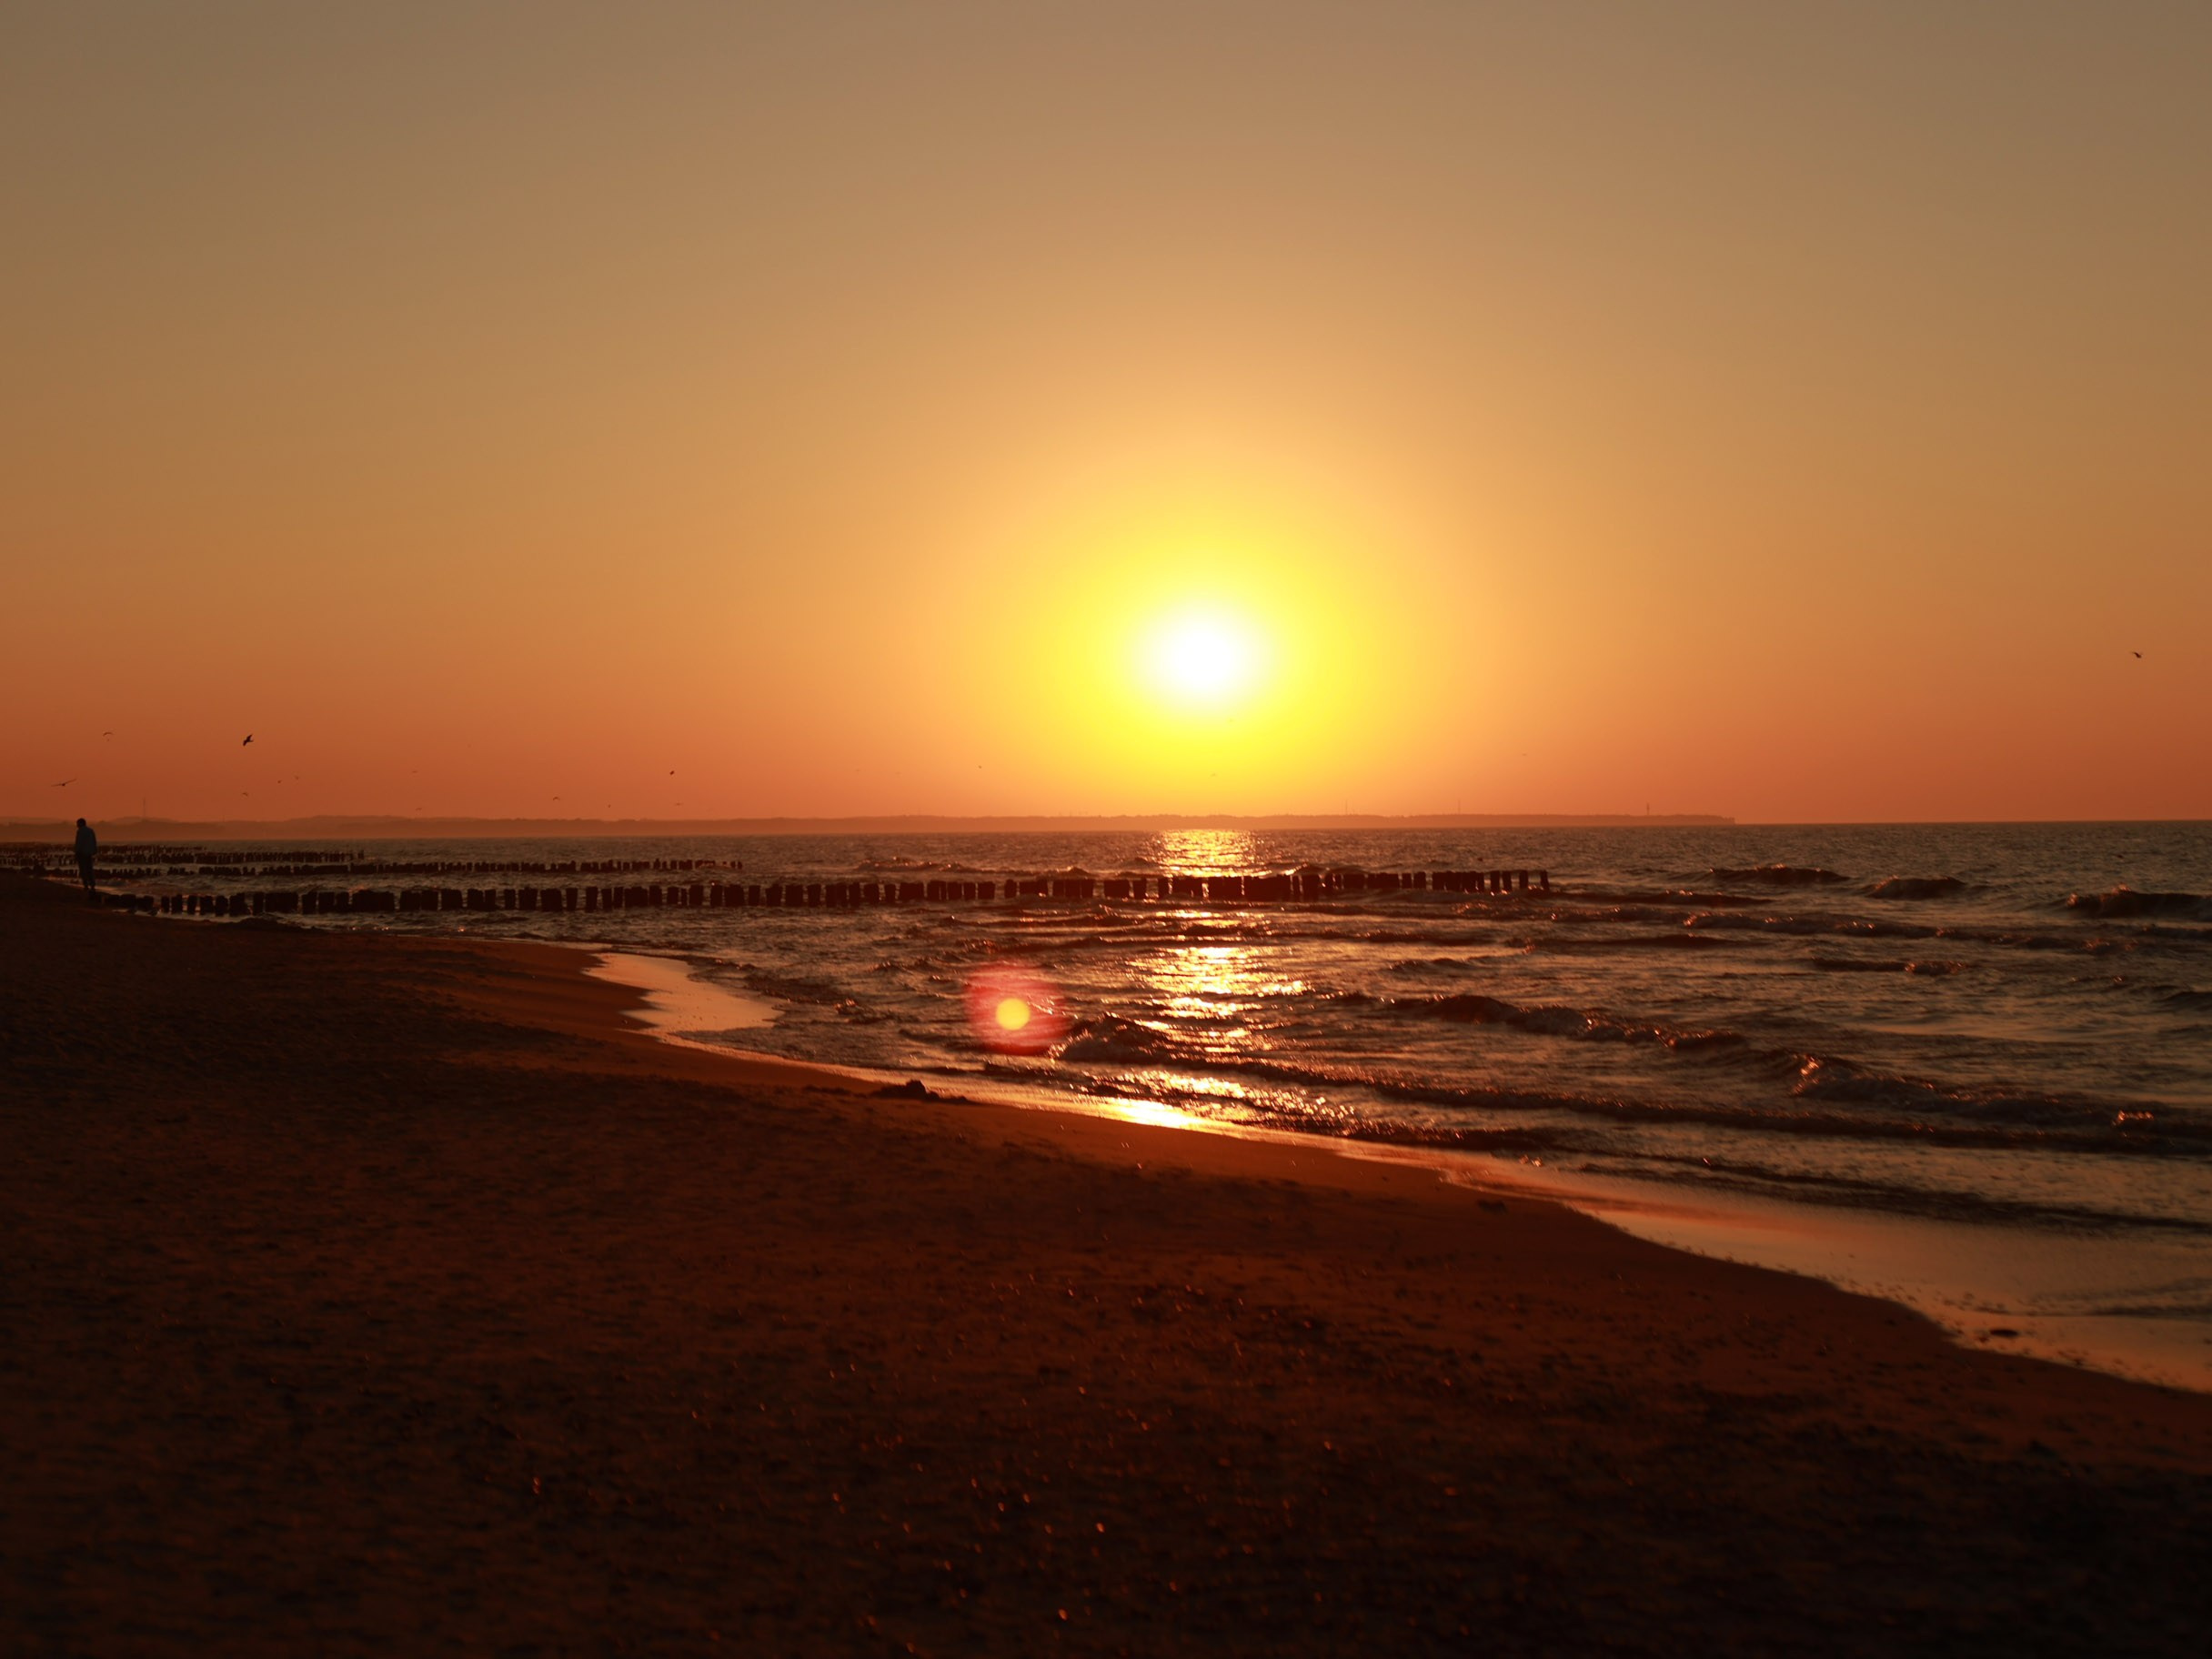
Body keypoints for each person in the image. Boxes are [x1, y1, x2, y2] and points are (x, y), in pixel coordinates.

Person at [74, 817, 97, 900]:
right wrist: (94, 850)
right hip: (89, 853)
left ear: (80, 824)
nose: (76, 825)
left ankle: (86, 885)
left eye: (77, 823)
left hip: (82, 853)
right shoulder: (91, 831)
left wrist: (76, 852)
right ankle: (92, 885)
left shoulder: (80, 831)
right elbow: (94, 841)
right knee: (89, 869)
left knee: (83, 870)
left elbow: (79, 843)